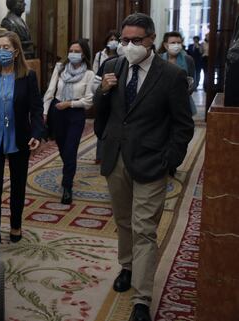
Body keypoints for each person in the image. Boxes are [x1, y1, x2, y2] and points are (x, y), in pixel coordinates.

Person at [93, 13, 194, 321]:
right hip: (116, 158)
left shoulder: (171, 75)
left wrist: (169, 161)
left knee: (145, 229)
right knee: (123, 221)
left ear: (152, 40)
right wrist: (103, 92)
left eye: (136, 41)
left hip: (152, 162)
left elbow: (183, 125)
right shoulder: (112, 66)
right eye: (125, 41)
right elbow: (100, 114)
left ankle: (142, 298)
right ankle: (127, 266)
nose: (129, 46)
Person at [0, 31, 44, 250]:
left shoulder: (28, 76)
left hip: (19, 138)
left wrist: (37, 133)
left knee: (17, 184)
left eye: (6, 47)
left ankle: (16, 224)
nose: (1, 51)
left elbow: (36, 108)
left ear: (16, 52)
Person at [43, 39, 95, 205]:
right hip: (57, 111)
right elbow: (50, 91)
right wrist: (44, 112)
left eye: (77, 51)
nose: (73, 54)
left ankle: (67, 187)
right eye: (71, 50)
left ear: (84, 54)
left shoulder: (89, 74)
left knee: (71, 150)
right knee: (63, 149)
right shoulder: (60, 68)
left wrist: (70, 103)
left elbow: (88, 101)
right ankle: (69, 171)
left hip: (75, 114)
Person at [92, 30, 120, 164]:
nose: (113, 42)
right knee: (102, 126)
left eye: (116, 39)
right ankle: (101, 156)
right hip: (104, 92)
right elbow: (96, 77)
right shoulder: (102, 58)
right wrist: (101, 90)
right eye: (111, 39)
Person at [160, 31, 197, 115]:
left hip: (183, 101)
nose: (176, 45)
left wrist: (182, 93)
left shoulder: (188, 59)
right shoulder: (159, 59)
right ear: (165, 45)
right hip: (162, 102)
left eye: (179, 42)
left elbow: (193, 81)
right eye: (173, 43)